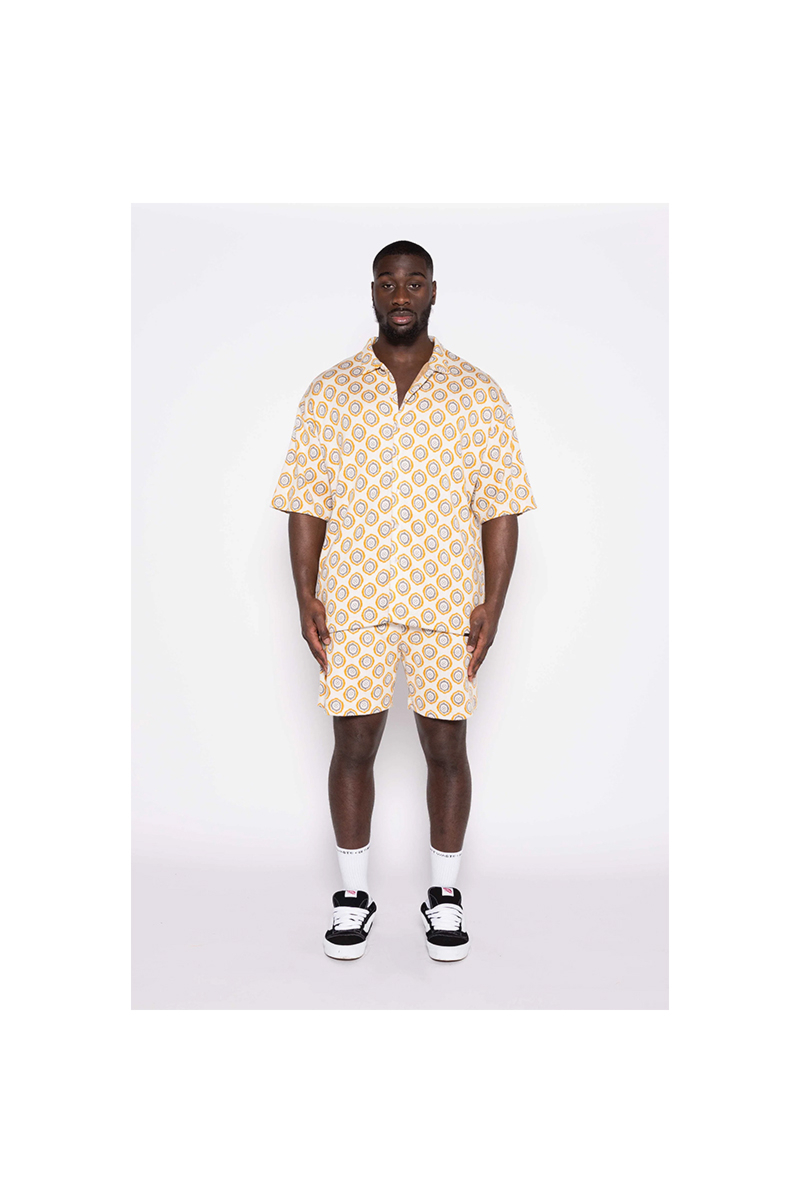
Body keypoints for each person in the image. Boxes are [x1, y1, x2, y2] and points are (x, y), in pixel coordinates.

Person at [271, 240, 536, 962]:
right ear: (372, 291)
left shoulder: (476, 391)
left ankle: (444, 895)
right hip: (353, 596)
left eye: (414, 282)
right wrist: (305, 593)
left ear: (433, 292)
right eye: (388, 282)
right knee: (352, 745)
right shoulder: (331, 390)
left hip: (447, 599)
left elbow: (500, 505)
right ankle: (353, 895)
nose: (400, 294)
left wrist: (493, 604)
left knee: (446, 746)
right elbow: (306, 500)